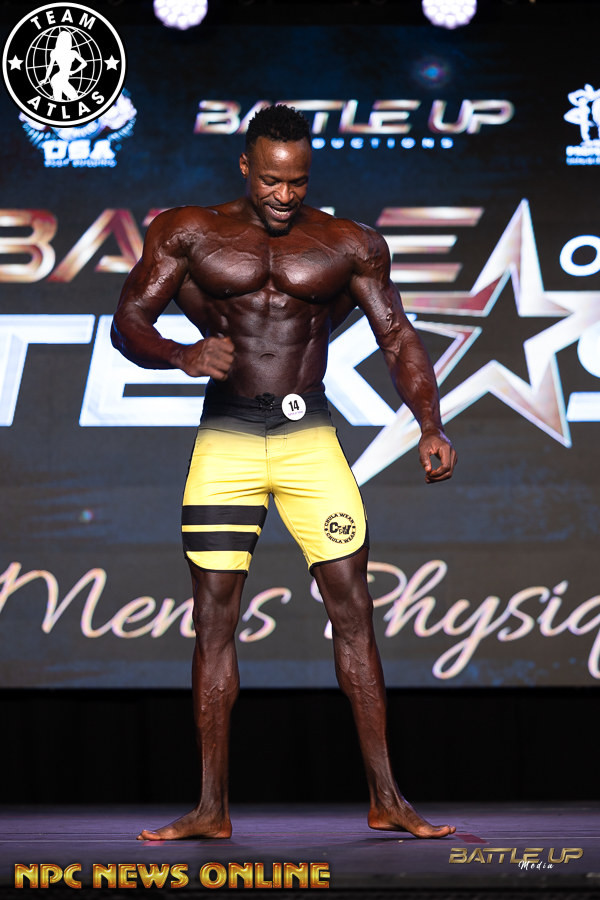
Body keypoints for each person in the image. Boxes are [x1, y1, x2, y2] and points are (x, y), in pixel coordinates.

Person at [111, 104, 457, 841]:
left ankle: (388, 798)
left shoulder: (348, 243)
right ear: (246, 165)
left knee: (353, 609)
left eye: (297, 181)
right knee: (214, 620)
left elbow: (397, 335)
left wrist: (429, 423)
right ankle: (210, 808)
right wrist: (180, 355)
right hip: (228, 439)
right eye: (271, 180)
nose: (283, 195)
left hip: (309, 441)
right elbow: (128, 321)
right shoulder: (189, 231)